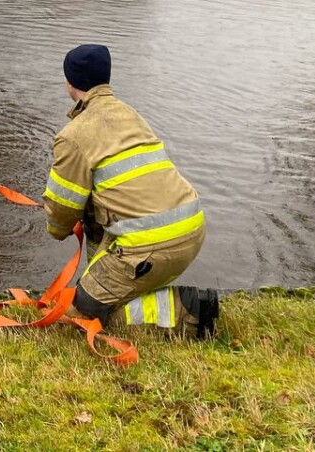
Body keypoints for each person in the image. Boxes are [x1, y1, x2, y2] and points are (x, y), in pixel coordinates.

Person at [43, 44, 219, 338]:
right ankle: (114, 290)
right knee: (100, 290)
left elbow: (61, 212)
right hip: (191, 230)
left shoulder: (72, 136)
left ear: (70, 83)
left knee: (82, 317)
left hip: (150, 246)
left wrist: (56, 227)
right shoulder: (131, 115)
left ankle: (191, 310)